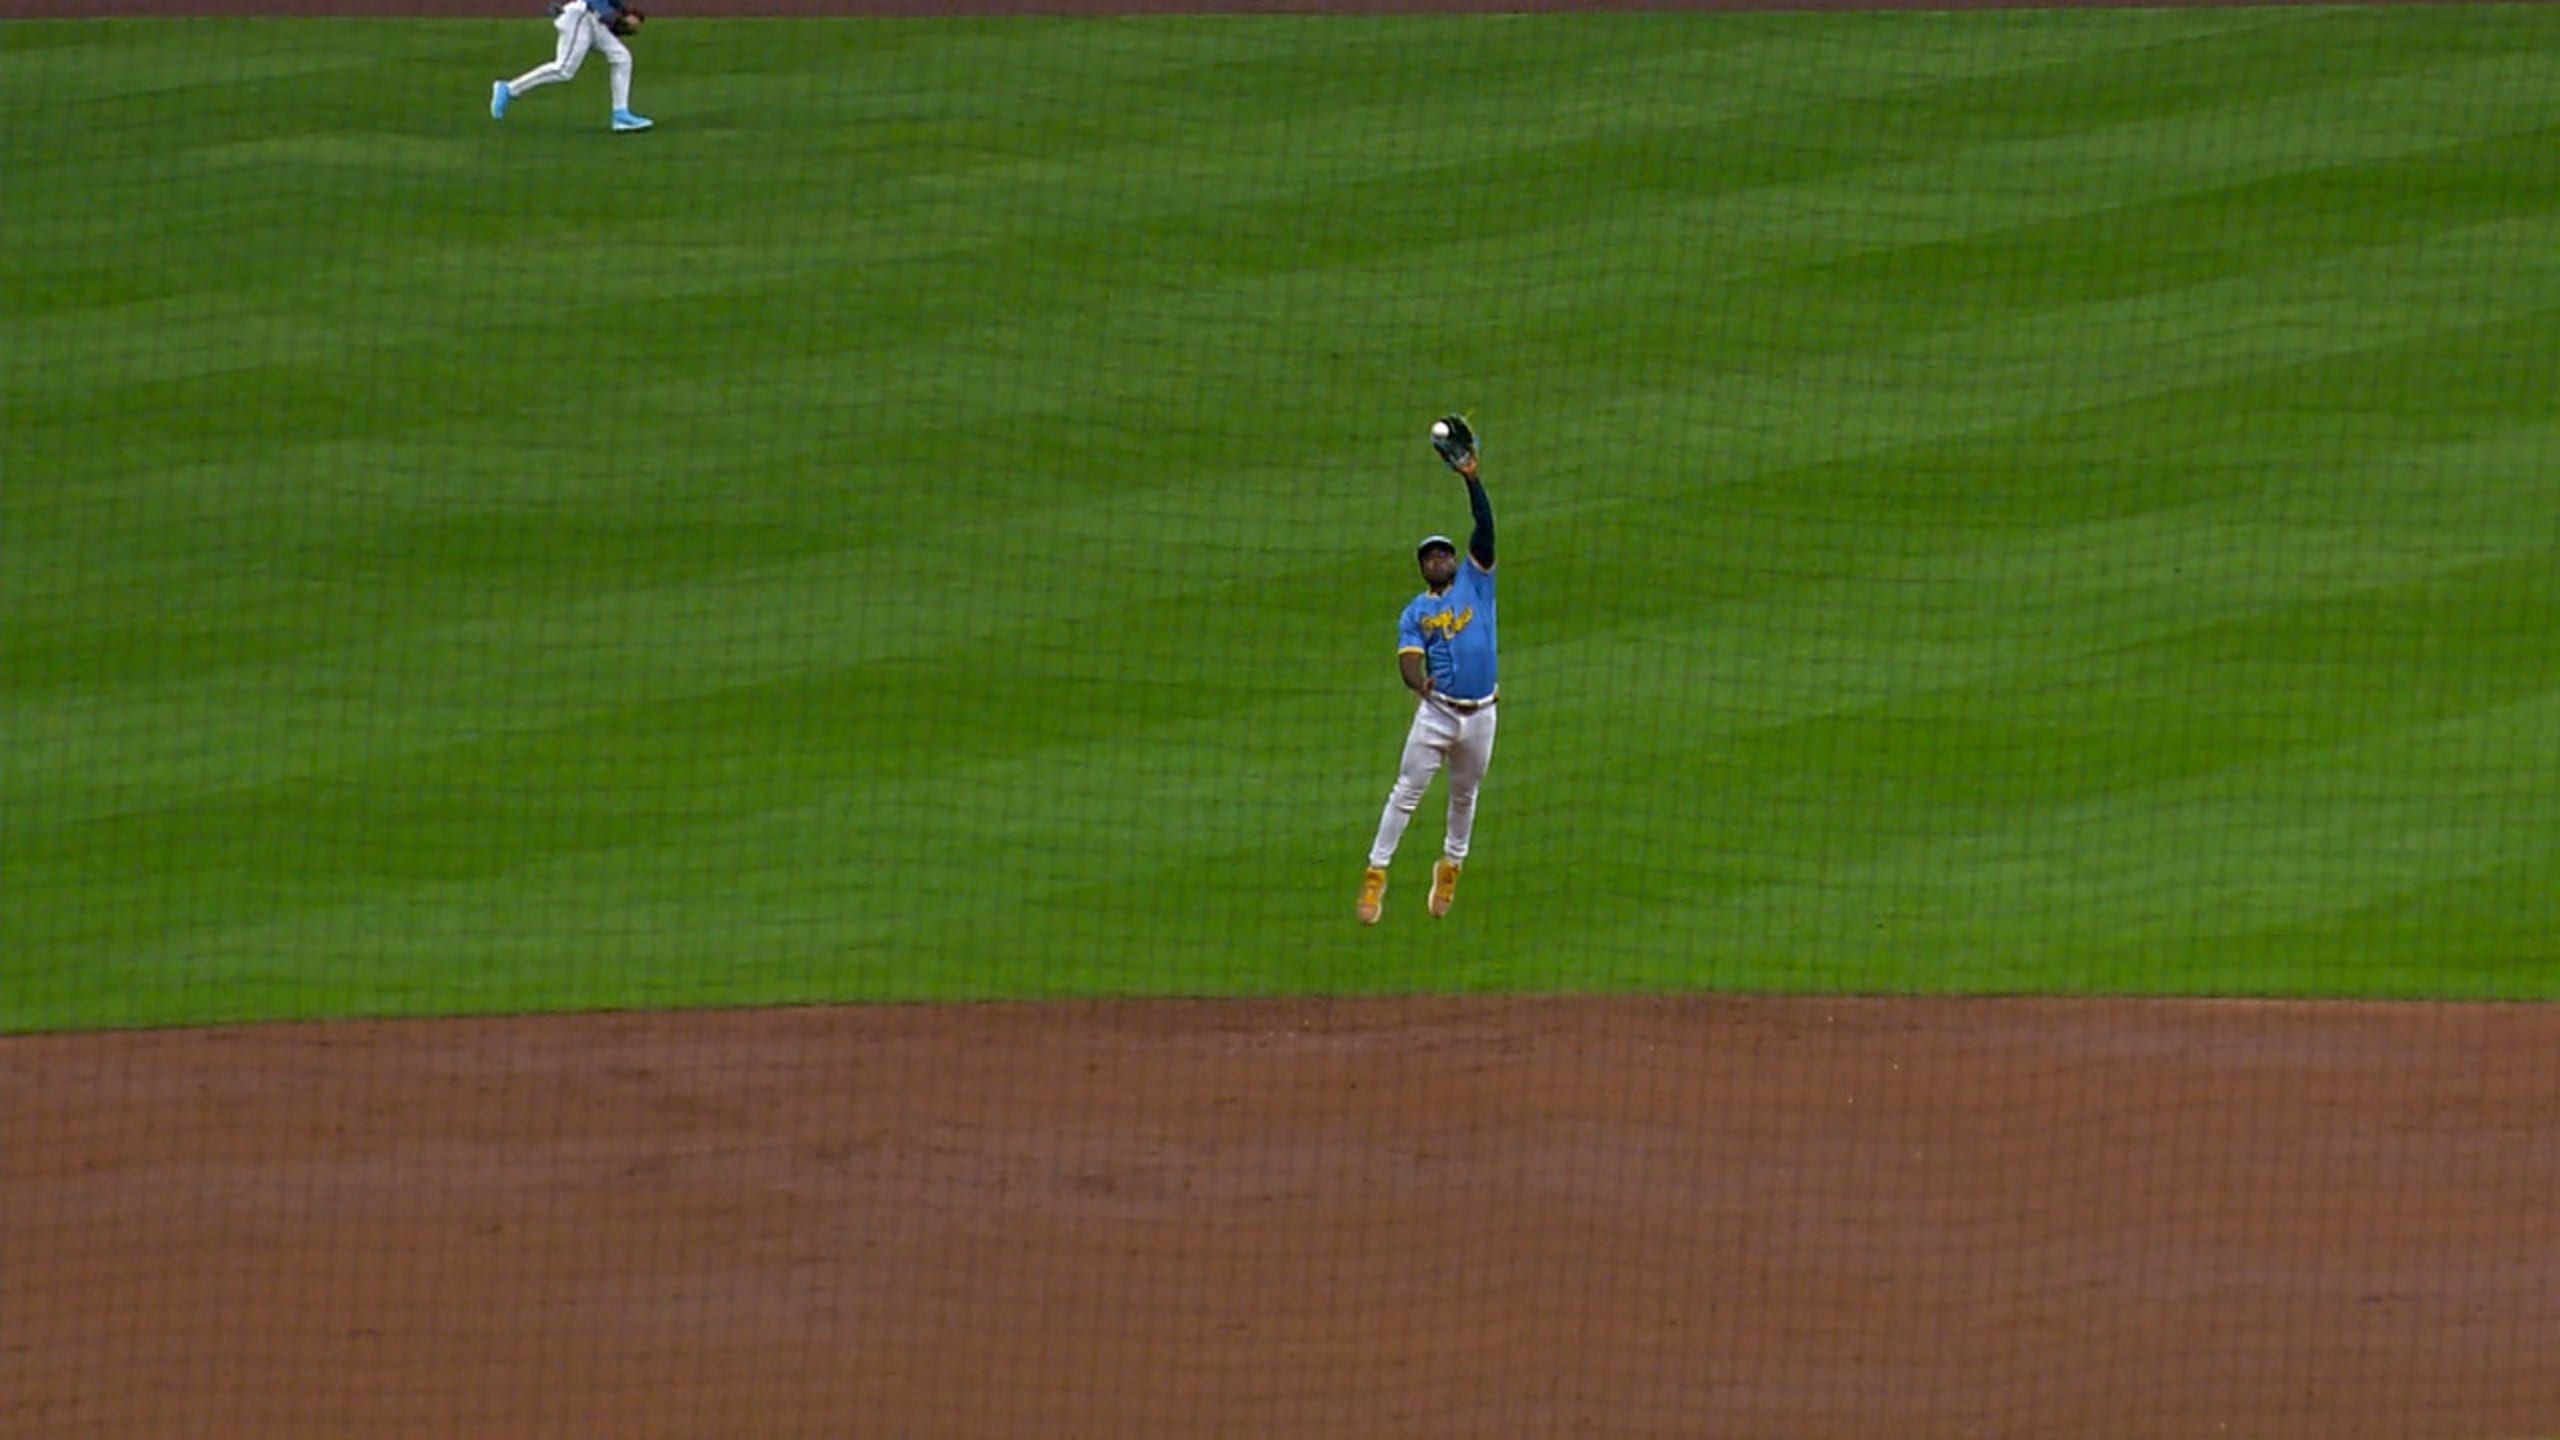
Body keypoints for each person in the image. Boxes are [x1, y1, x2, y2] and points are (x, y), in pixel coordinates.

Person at [1357, 427, 1497, 925]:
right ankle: (1376, 873)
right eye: (1430, 556)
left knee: (1465, 795)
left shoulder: (1477, 583)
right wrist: (1418, 684)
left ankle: (1451, 866)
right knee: (1406, 793)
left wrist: (1472, 479)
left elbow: (1485, 529)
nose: (1439, 559)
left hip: (1482, 714)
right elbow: (1407, 661)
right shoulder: (1415, 612)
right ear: (1422, 568)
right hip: (1436, 714)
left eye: (1444, 553)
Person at [491, 0, 652, 133]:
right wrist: (617, 20)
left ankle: (621, 115)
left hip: (593, 20)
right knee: (564, 70)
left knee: (622, 58)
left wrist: (626, 11)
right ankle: (509, 88)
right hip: (579, 18)